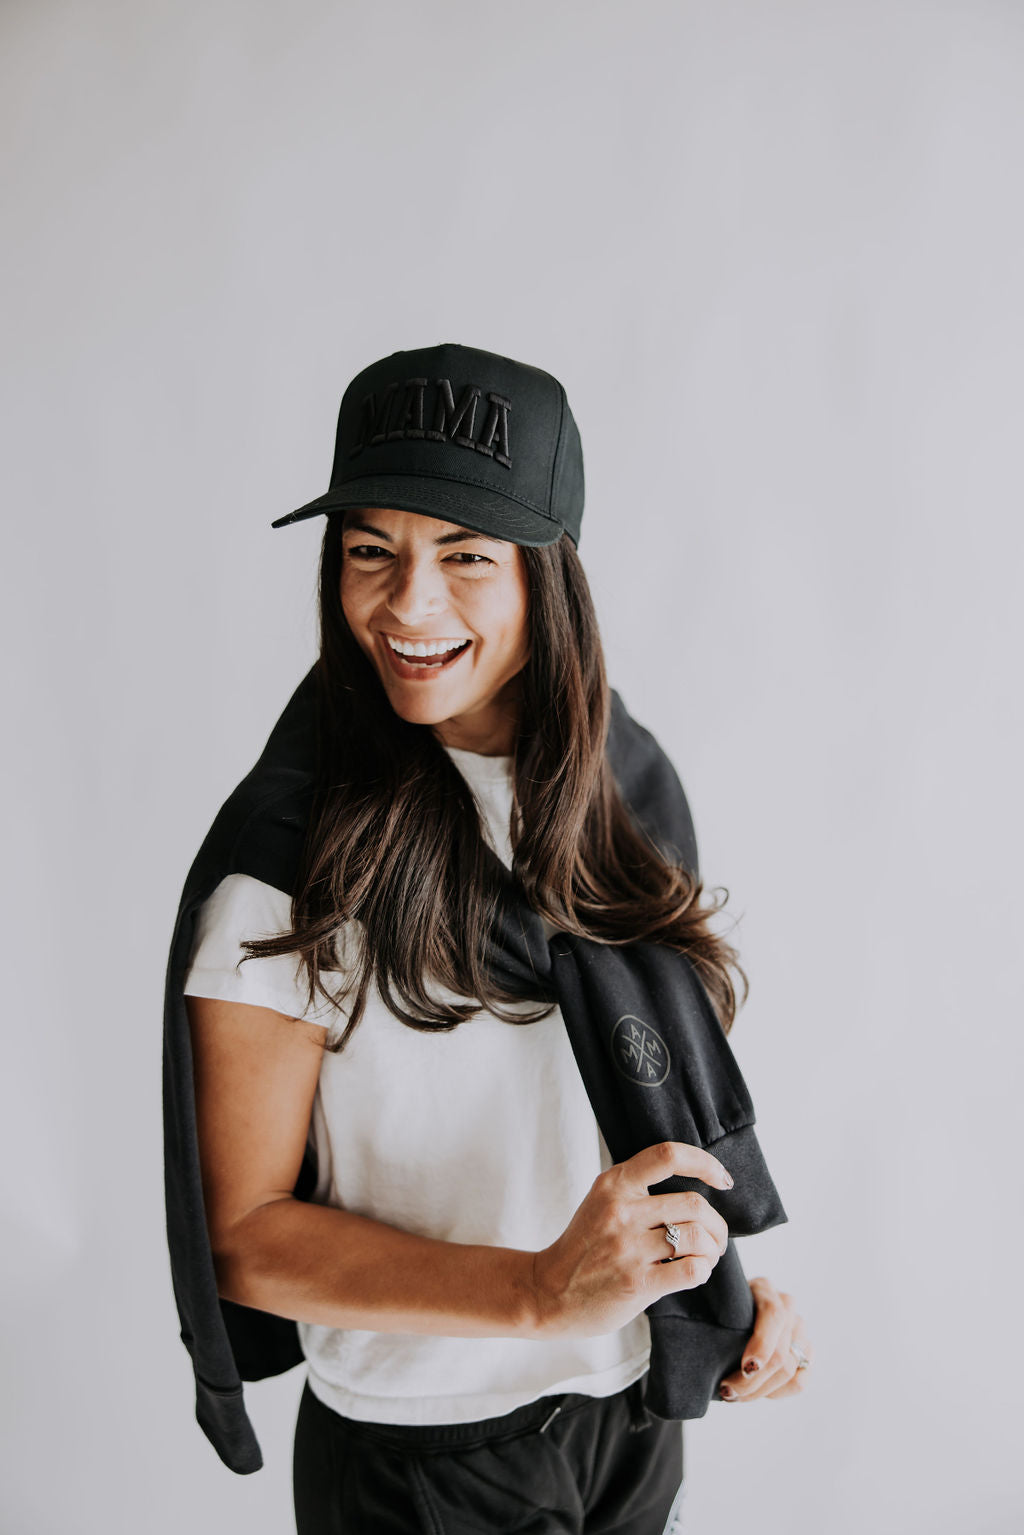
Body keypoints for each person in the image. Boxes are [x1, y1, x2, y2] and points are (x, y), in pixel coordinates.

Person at [170, 342, 813, 1534]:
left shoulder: (619, 796)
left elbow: (625, 1103)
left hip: (629, 1403)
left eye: (465, 556)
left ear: (546, 575)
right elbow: (245, 1237)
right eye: (371, 549)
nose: (407, 605)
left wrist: (710, 1281)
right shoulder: (297, 854)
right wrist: (531, 1293)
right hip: (428, 1446)